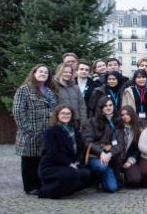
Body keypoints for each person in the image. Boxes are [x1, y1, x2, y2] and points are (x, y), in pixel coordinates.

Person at [13, 65, 58, 195]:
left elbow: (54, 110)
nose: (43, 74)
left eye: (46, 72)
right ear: (33, 73)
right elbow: (18, 112)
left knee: (41, 159)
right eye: (40, 71)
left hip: (46, 132)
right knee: (29, 160)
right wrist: (28, 130)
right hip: (30, 133)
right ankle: (29, 186)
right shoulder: (24, 90)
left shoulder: (49, 91)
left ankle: (40, 184)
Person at [37, 105, 92, 199]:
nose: (65, 115)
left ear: (71, 115)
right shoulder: (51, 131)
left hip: (70, 164)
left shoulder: (75, 130)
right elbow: (52, 153)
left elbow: (80, 149)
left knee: (88, 173)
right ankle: (46, 191)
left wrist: (77, 162)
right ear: (57, 115)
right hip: (52, 165)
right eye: (63, 113)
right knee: (72, 174)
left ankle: (66, 189)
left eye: (68, 113)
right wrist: (69, 163)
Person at [81, 96, 122, 193]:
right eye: (105, 106)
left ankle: (103, 178)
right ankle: (94, 179)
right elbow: (87, 142)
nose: (108, 107)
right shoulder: (90, 122)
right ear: (101, 108)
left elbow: (120, 144)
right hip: (95, 156)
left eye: (110, 105)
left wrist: (110, 153)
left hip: (110, 157)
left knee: (112, 188)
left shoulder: (117, 122)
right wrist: (101, 153)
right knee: (101, 166)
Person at [115, 106, 142, 187]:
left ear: (132, 115)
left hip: (129, 159)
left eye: (127, 114)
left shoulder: (137, 130)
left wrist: (130, 161)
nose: (125, 116)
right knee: (114, 185)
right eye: (122, 115)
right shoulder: (116, 129)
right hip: (116, 160)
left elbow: (137, 150)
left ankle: (126, 177)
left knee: (135, 180)